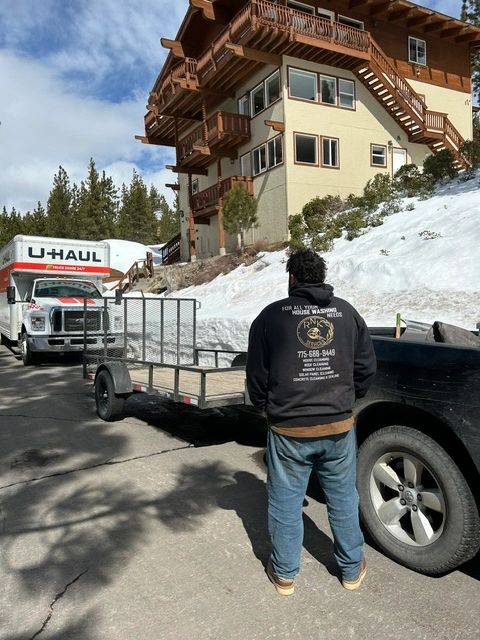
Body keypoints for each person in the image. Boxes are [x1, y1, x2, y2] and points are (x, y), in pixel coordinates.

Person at [246, 249, 376, 596]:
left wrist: (266, 410)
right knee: (343, 497)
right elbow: (365, 366)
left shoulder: (271, 317)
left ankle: (285, 575)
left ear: (292, 278)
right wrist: (347, 400)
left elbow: (257, 375)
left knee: (285, 500)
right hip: (337, 426)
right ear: (321, 276)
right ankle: (351, 569)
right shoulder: (346, 313)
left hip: (289, 429)